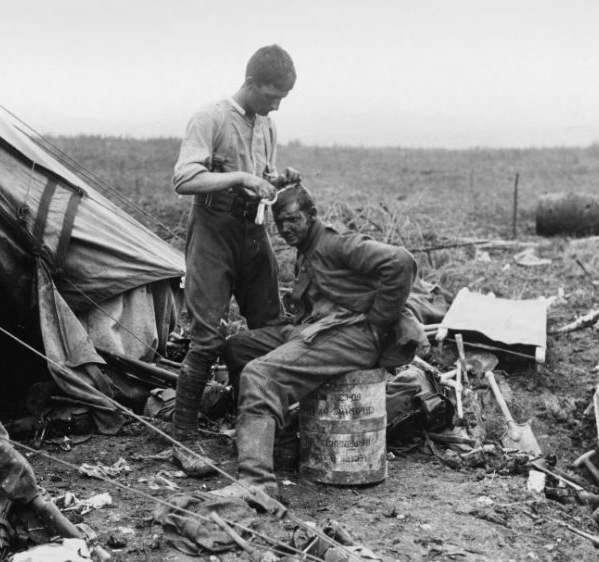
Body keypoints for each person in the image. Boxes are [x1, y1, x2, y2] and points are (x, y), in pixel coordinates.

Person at [214, 184, 422, 507]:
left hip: (351, 335)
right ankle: (275, 441)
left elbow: (401, 263)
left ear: (312, 215)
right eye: (279, 224)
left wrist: (379, 321)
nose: (285, 229)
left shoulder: (335, 243)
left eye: (293, 220)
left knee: (259, 376)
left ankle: (256, 481)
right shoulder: (307, 250)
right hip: (316, 328)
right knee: (238, 348)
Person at [171, 45, 300, 475]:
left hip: (253, 231)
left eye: (282, 98)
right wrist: (240, 178)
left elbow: (262, 177)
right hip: (213, 230)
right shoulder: (210, 117)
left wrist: (274, 180)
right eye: (270, 95)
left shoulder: (268, 125)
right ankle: (183, 438)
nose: (275, 104)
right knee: (207, 338)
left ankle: (259, 425)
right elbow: (184, 177)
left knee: (270, 331)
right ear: (249, 82)